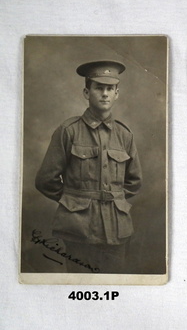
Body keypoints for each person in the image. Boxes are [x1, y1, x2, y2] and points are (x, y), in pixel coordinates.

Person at [35, 60, 142, 273]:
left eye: (110, 89)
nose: (104, 94)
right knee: (79, 284)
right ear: (86, 92)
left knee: (114, 287)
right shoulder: (68, 131)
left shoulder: (124, 135)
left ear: (116, 94)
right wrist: (73, 202)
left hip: (116, 230)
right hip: (78, 230)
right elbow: (45, 180)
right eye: (99, 87)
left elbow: (134, 181)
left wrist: (113, 202)